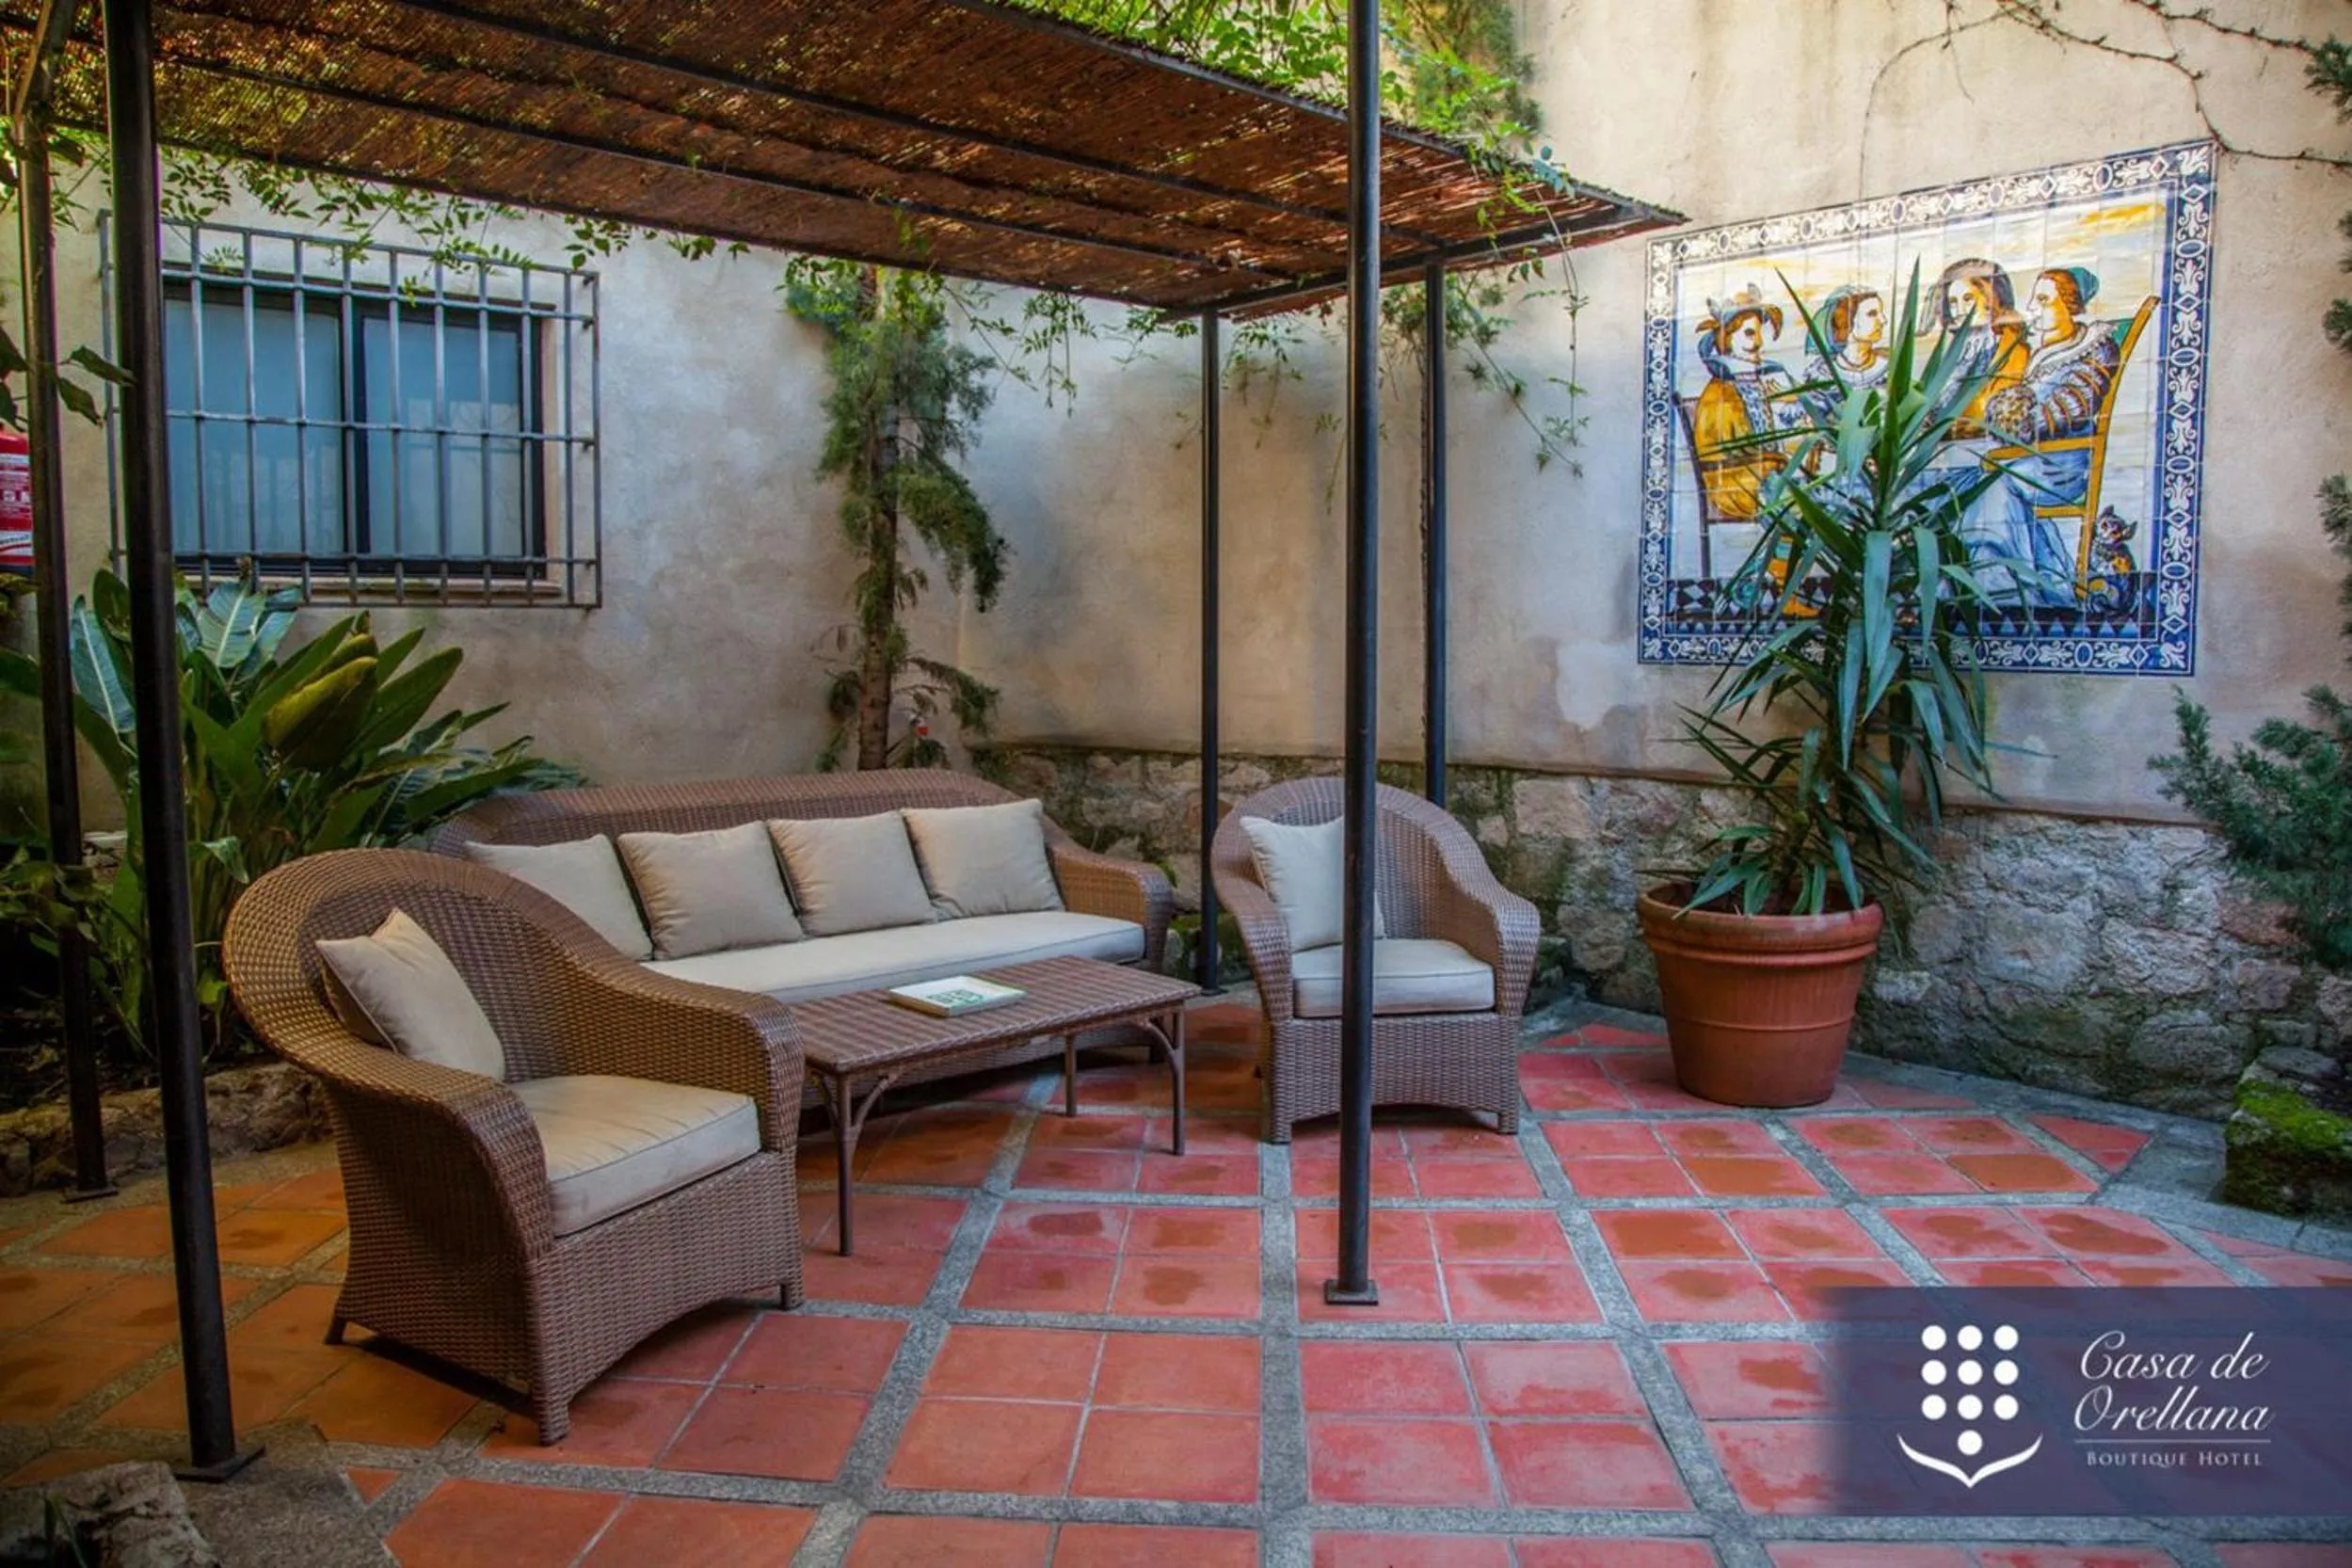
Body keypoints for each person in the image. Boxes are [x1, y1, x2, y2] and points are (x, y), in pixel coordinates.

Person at [1970, 265, 2121, 604]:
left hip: (2061, 464)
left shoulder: (2094, 348)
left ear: (2071, 304)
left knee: (1981, 482)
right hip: (2026, 459)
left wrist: (2020, 422)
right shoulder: (2042, 353)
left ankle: (2004, 583)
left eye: (2043, 300)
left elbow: (2073, 403)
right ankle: (2010, 579)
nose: (2033, 308)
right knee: (1967, 477)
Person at [1688, 282, 1803, 521]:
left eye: (1759, 333)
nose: (1758, 342)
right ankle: (1779, 555)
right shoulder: (1719, 393)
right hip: (1734, 480)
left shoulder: (1758, 381)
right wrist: (1776, 460)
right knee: (1794, 499)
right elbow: (1724, 452)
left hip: (1764, 472)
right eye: (1749, 334)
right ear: (1727, 338)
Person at [1932, 257, 2028, 437]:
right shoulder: (1959, 353)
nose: (1960, 310)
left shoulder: (2010, 350)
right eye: (1953, 302)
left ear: (1989, 298)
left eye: (1968, 299)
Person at [1800, 284, 1888, 425]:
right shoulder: (1822, 373)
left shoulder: (1889, 366)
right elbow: (1814, 426)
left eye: (1881, 313)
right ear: (1846, 321)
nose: (1883, 321)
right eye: (1872, 314)